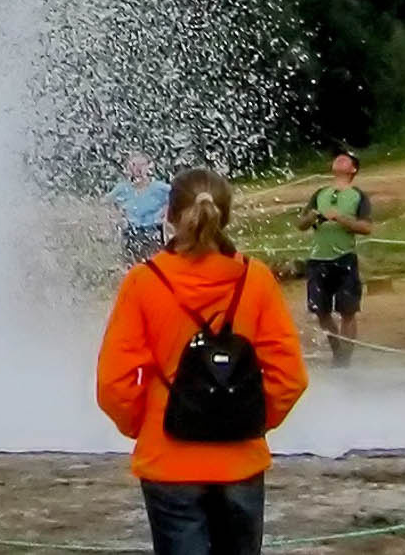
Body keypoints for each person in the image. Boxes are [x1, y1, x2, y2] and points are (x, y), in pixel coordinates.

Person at [97, 168, 309, 555]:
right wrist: (252, 421)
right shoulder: (255, 278)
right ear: (225, 216)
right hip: (240, 461)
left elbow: (115, 383)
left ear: (169, 215)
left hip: (169, 459)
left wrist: (144, 426)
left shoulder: (143, 283)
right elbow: (290, 375)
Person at [296, 151, 373, 365]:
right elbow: (301, 224)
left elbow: (366, 227)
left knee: (348, 311)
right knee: (321, 311)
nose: (340, 159)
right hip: (317, 259)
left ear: (353, 169)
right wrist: (311, 217)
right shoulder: (319, 193)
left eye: (346, 159)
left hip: (345, 258)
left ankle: (345, 359)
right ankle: (338, 351)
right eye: (338, 157)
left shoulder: (358, 196)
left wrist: (339, 218)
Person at [117, 154, 174, 266]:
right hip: (130, 233)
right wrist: (118, 215)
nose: (137, 169)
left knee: (155, 265)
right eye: (133, 165)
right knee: (131, 267)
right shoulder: (122, 188)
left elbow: (178, 195)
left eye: (141, 165)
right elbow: (105, 203)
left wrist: (166, 213)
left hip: (153, 232)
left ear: (149, 167)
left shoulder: (159, 187)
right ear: (128, 168)